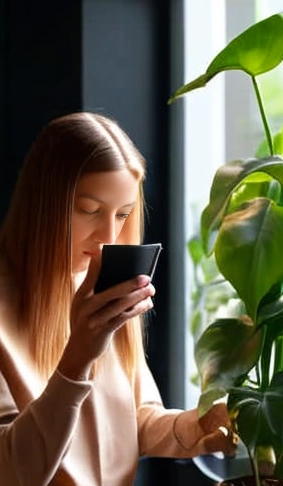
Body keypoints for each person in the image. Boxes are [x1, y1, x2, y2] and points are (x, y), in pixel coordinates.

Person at [0, 112, 235, 486]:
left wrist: (199, 426)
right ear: (45, 203)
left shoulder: (99, 291)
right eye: (90, 211)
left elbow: (134, 419)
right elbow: (13, 470)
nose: (109, 235)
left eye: (123, 215)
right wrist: (77, 360)